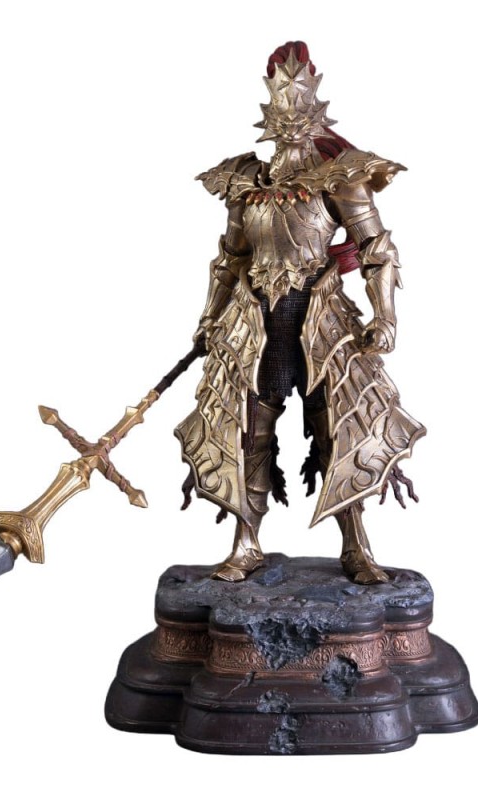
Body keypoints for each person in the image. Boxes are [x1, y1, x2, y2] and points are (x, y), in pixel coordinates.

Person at [176, 41, 425, 583]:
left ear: (315, 109)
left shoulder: (341, 176)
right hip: (255, 325)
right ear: (268, 112)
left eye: (299, 109)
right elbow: (230, 258)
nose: (290, 122)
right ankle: (246, 542)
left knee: (340, 428)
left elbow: (377, 250)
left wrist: (384, 317)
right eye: (281, 110)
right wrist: (208, 317)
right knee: (248, 430)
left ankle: (356, 545)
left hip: (322, 324)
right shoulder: (244, 183)